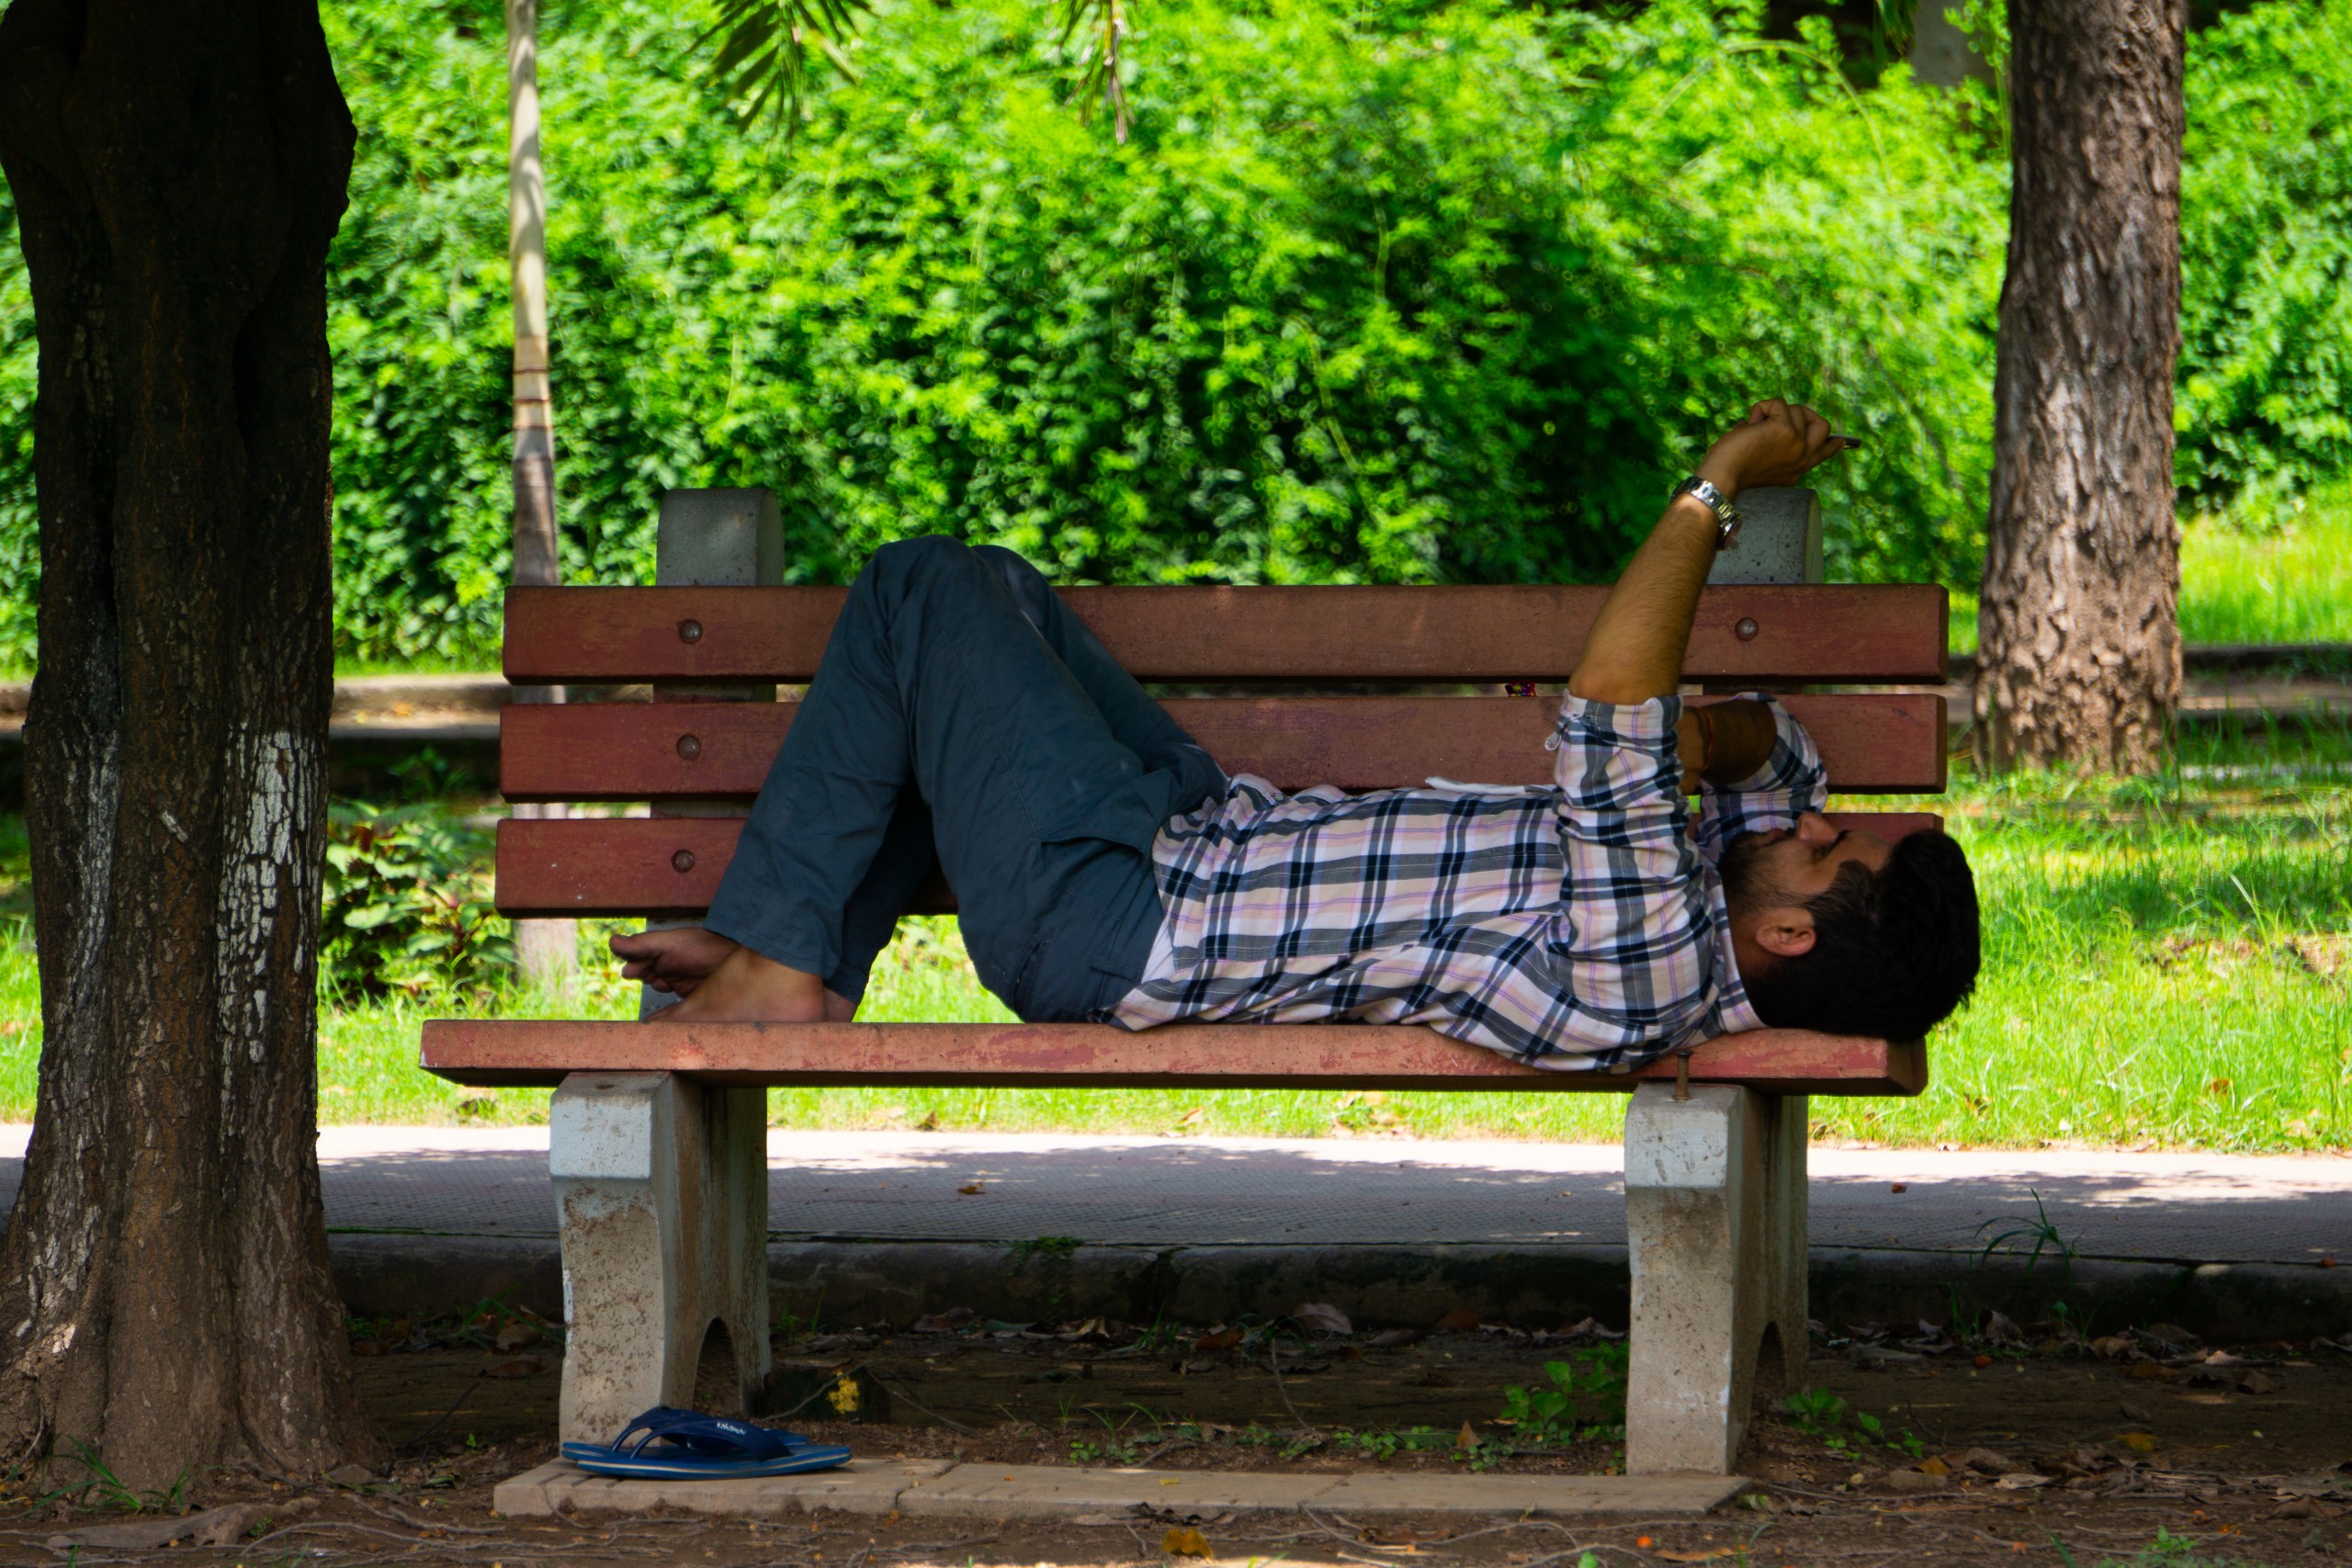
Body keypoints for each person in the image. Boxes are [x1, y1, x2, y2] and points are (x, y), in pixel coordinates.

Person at [611, 400, 1980, 1063]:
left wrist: (1718, 483)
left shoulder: (1651, 958)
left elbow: (1612, 719)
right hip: (1193, 830)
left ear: (1789, 935)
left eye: (1829, 847)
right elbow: (1773, 751)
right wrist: (1722, 753)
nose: (1816, 815)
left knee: (930, 584)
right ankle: (780, 952)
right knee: (997, 604)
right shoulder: (1724, 907)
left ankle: (782, 965)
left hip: (1123, 921)